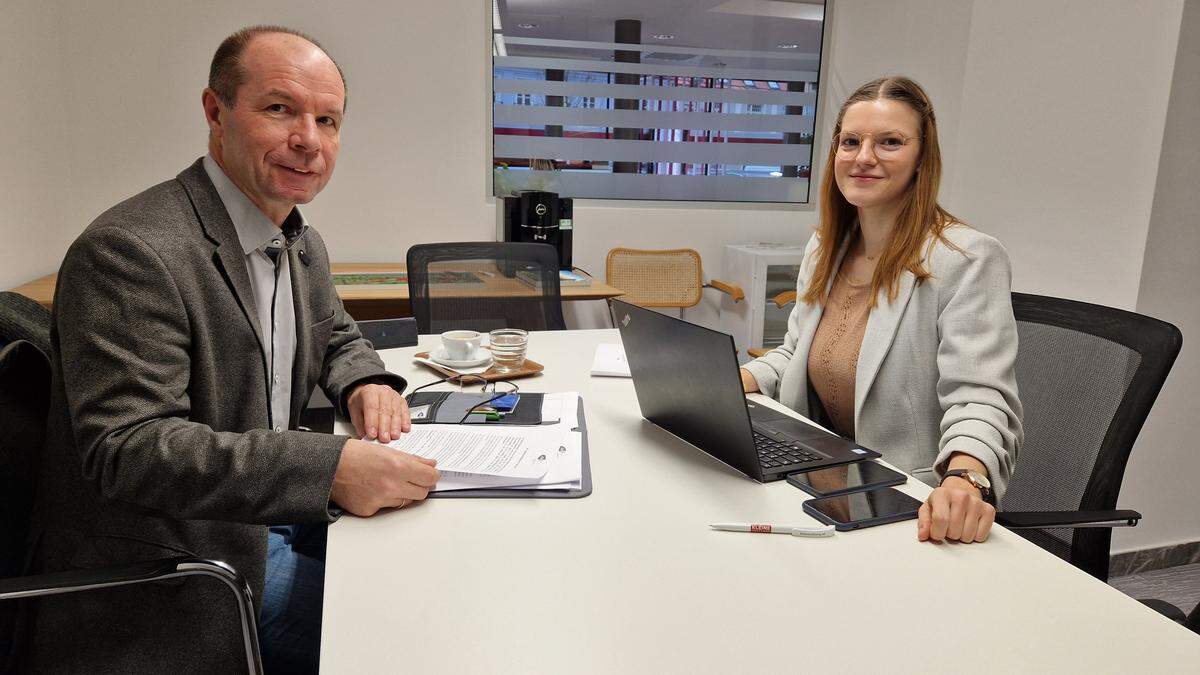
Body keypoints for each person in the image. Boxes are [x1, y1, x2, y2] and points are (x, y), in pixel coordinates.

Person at [26, 26, 438, 673]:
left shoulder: (301, 242)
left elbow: (334, 332)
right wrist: (327, 466)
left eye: (327, 120)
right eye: (281, 108)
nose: (309, 139)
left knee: (433, 562)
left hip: (266, 514)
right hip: (179, 562)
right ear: (216, 112)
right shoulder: (133, 251)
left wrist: (365, 383)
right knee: (410, 639)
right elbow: (130, 450)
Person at [740, 76, 1023, 545]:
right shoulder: (826, 247)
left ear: (921, 158)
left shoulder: (966, 258)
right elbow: (795, 355)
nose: (864, 157)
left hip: (905, 502)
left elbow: (979, 396)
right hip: (821, 479)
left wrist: (965, 478)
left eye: (890, 142)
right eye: (851, 142)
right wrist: (730, 382)